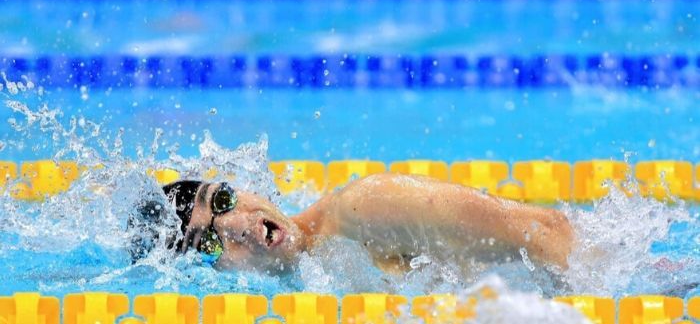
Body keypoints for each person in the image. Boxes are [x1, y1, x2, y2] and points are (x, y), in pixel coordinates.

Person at [129, 173, 574, 274]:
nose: (238, 227)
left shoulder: (366, 208)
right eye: (208, 243)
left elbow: (549, 233)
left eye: (222, 199)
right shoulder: (316, 275)